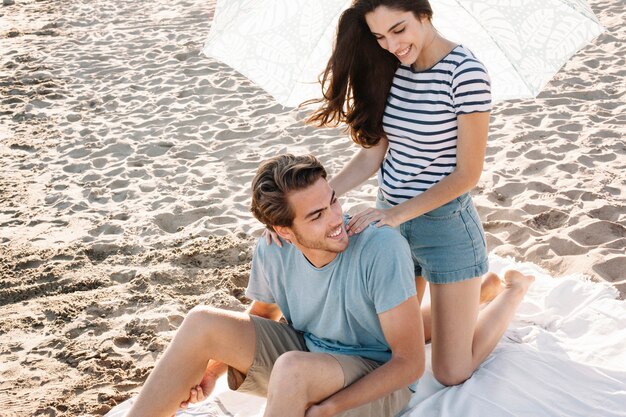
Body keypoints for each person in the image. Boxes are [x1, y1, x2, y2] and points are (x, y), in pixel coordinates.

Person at [266, 0, 535, 387]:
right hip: (389, 223)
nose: (391, 45)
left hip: (443, 226)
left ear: (424, 14)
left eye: (398, 30)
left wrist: (396, 215)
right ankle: (478, 292)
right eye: (379, 36)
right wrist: (311, 206)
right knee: (386, 344)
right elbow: (372, 155)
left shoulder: (466, 73)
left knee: (451, 372)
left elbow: (467, 174)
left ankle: (512, 289)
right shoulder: (391, 68)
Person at [127, 154, 426, 417]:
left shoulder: (381, 247)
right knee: (201, 323)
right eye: (316, 215)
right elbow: (262, 314)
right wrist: (213, 371)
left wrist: (330, 407)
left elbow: (409, 363)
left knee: (292, 367)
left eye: (333, 200)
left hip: (373, 376)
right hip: (309, 357)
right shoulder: (273, 249)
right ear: (284, 231)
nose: (336, 218)